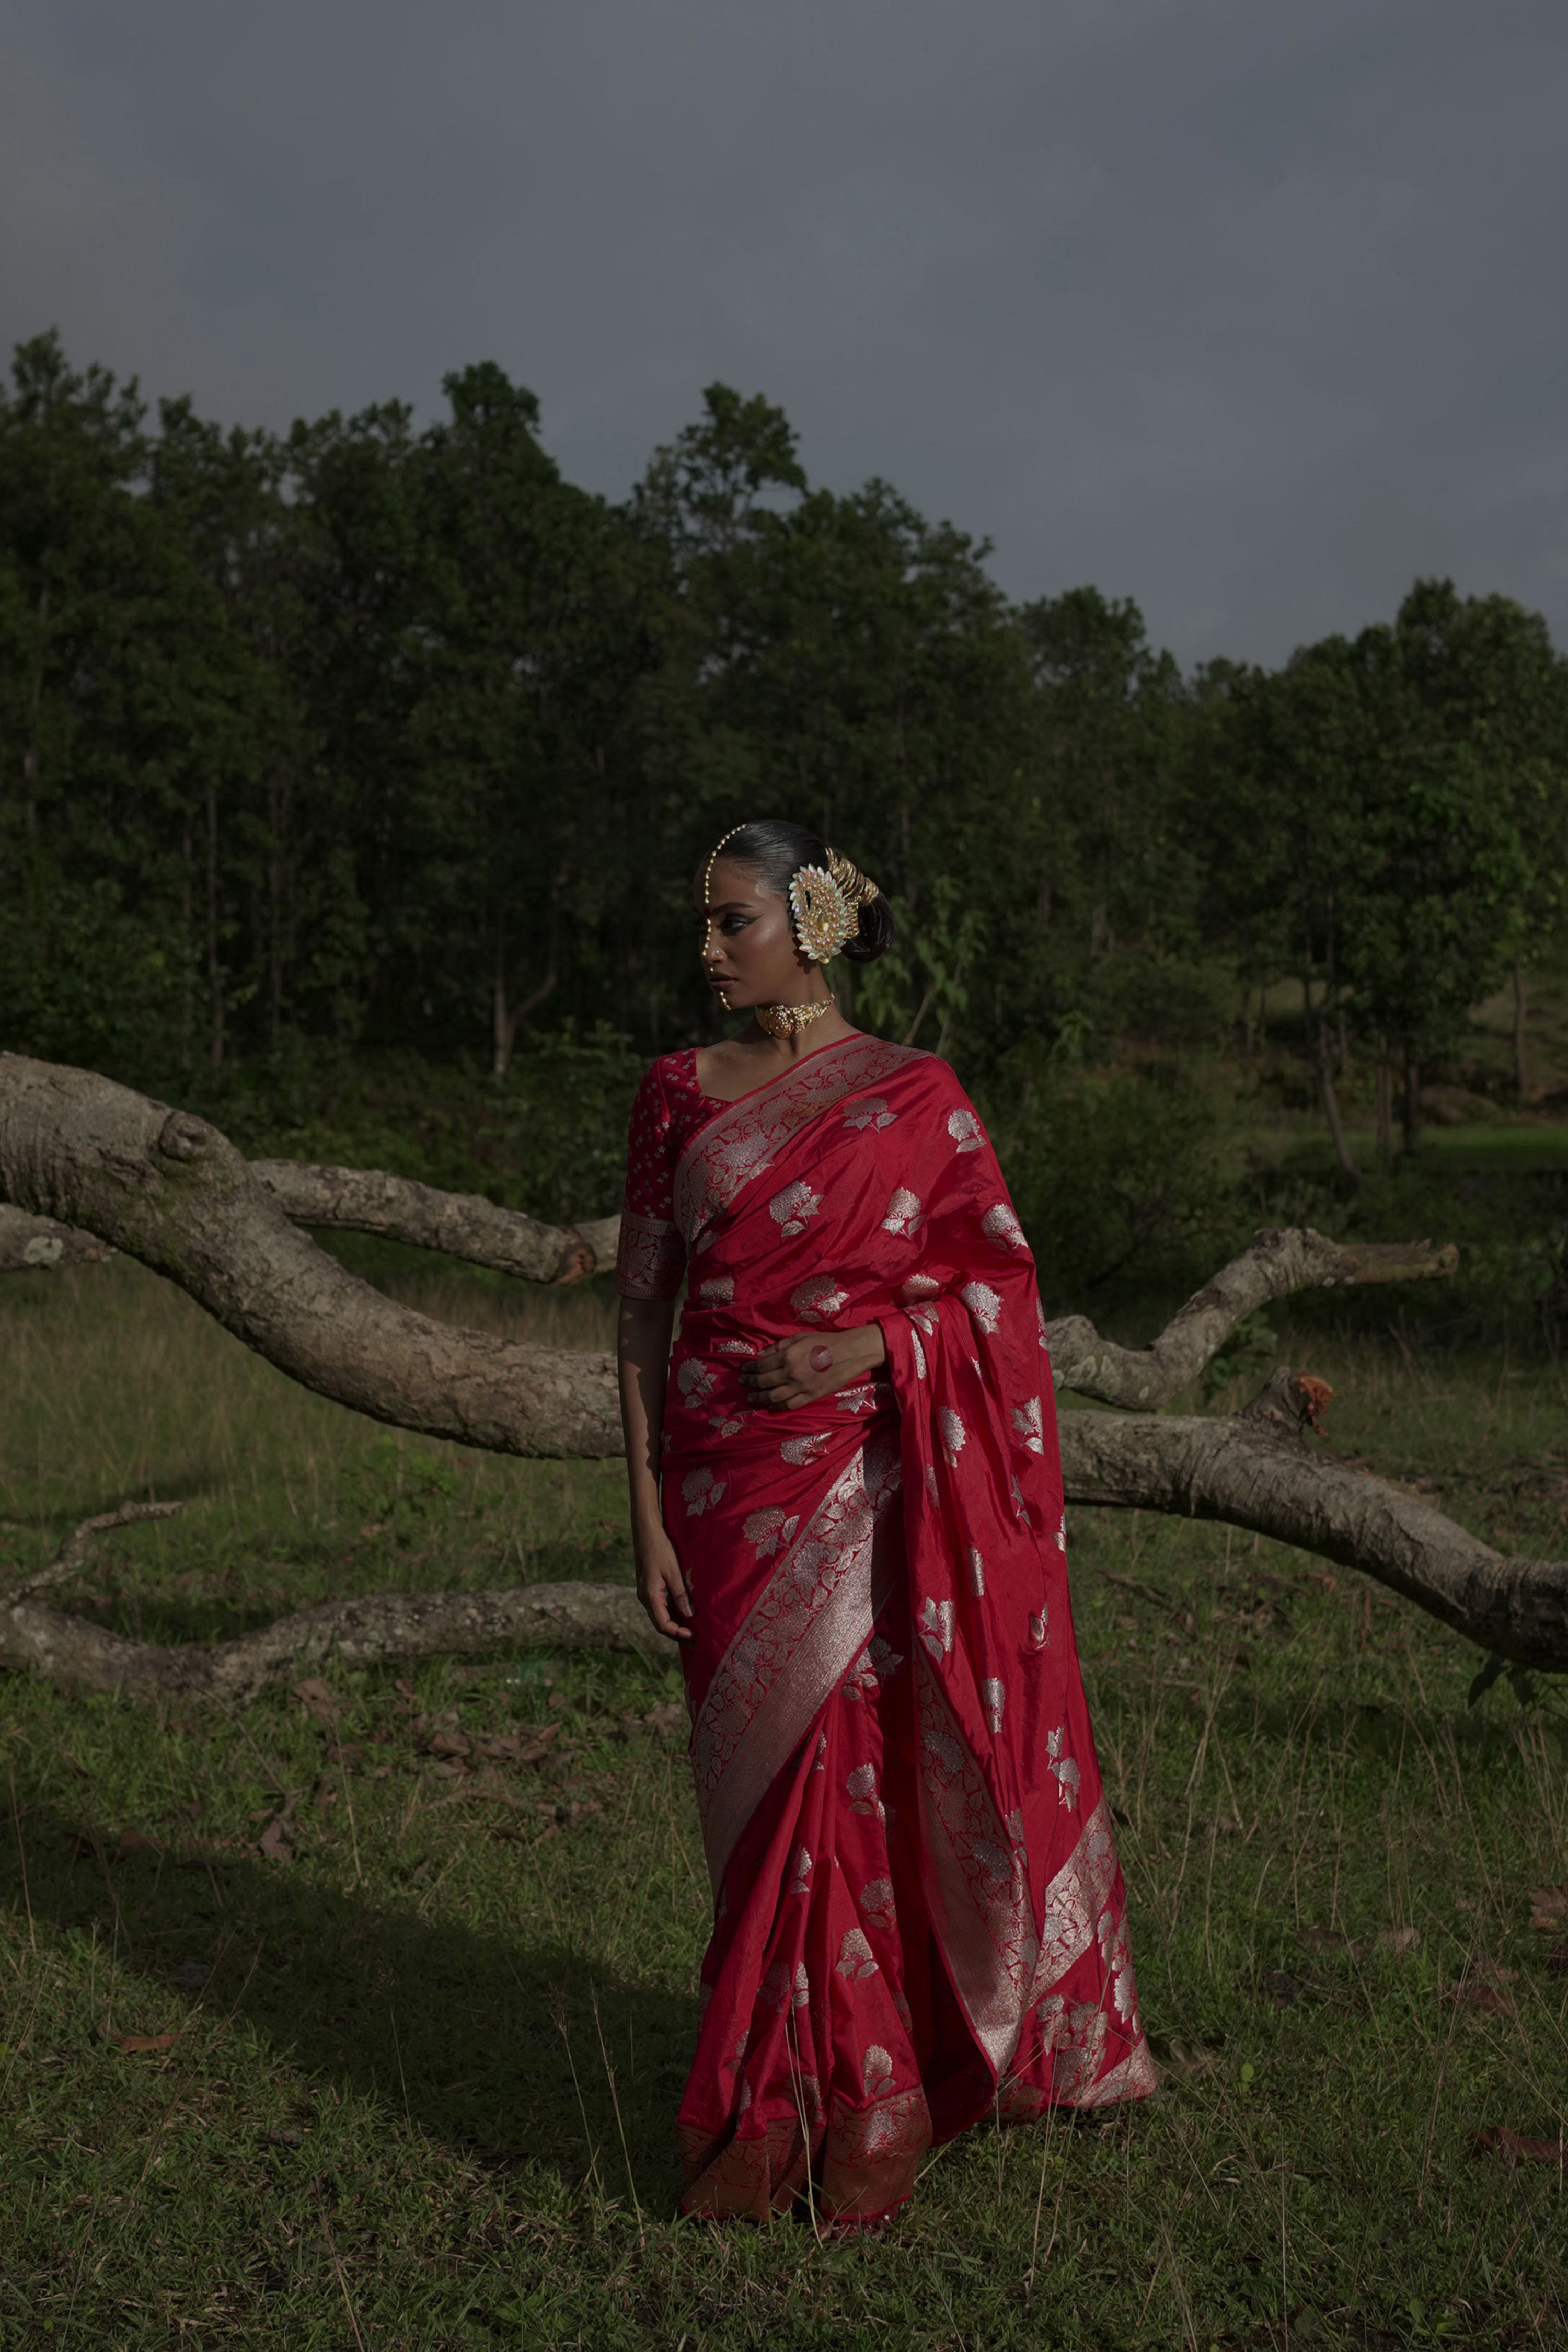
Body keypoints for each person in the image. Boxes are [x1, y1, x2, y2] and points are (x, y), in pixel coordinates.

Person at [615, 818, 1155, 2232]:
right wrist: (641, 1508)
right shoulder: (676, 1092)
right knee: (756, 1820)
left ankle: (866, 2103)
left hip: (862, 1488)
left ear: (809, 920)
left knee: (846, 1787)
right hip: (722, 1494)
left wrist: (871, 1355)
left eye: (732, 919)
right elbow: (637, 1310)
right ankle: (776, 2102)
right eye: (702, 921)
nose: (710, 946)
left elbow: (1000, 1296)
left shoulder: (917, 1096)